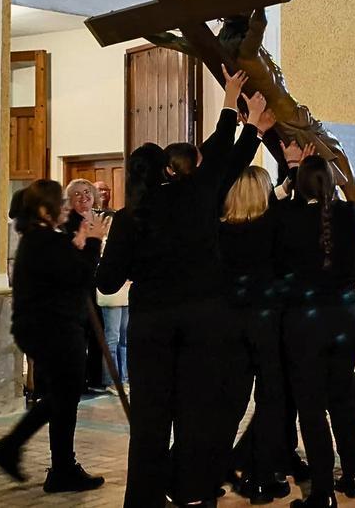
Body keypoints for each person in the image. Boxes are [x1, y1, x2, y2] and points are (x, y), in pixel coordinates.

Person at [95, 68, 268, 507]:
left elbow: (108, 280)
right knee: (197, 415)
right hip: (204, 323)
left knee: (151, 421)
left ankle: (143, 501)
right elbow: (223, 158)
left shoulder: (128, 218)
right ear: (170, 170)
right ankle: (193, 494)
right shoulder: (196, 197)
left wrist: (95, 248)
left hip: (152, 325)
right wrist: (238, 109)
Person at [0, 179, 108, 493]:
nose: (67, 208)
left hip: (47, 328)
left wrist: (79, 243)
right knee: (63, 398)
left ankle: (55, 464)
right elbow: (79, 276)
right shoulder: (42, 240)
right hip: (53, 330)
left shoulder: (40, 239)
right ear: (44, 208)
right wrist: (93, 242)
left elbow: (64, 271)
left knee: (63, 399)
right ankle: (16, 448)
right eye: (62, 203)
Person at [273, 155, 355, 506]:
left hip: (305, 320)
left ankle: (323, 491)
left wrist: (292, 172)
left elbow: (275, 221)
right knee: (342, 398)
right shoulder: (349, 215)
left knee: (311, 407)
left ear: (298, 184)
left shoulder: (287, 217)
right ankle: (353, 475)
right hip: (345, 316)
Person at [218, 160, 300, 504]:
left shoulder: (218, 229)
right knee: (270, 401)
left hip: (229, 323)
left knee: (230, 403)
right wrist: (294, 167)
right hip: (267, 322)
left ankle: (215, 467)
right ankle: (260, 478)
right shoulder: (274, 224)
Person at [64, 178, 108, 392]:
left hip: (94, 283)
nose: (84, 198)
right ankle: (79, 381)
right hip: (76, 284)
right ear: (70, 200)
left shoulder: (99, 218)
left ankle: (95, 379)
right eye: (78, 194)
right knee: (79, 333)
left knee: (97, 329)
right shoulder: (68, 223)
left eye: (87, 193)